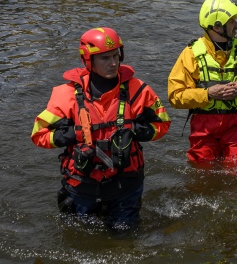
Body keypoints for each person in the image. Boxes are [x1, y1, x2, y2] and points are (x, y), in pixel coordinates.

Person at [31, 26, 170, 230]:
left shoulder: (138, 90)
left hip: (126, 185)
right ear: (88, 60)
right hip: (82, 186)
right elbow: (38, 134)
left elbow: (163, 124)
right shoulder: (66, 95)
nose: (113, 63)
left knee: (125, 238)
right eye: (105, 58)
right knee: (80, 238)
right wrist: (73, 134)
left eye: (116, 56)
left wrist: (136, 130)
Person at [167, 0, 237, 166]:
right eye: (232, 21)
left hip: (236, 125)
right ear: (217, 26)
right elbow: (175, 96)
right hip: (203, 127)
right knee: (202, 170)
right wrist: (207, 93)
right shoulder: (190, 54)